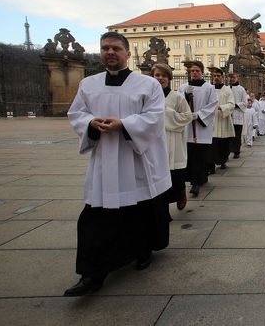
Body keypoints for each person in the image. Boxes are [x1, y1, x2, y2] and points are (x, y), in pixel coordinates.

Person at [65, 32, 171, 296]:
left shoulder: (147, 85)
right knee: (96, 216)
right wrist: (90, 123)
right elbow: (76, 113)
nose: (109, 52)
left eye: (115, 48)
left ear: (128, 54)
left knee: (140, 211)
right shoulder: (88, 84)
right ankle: (92, 274)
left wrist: (124, 124)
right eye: (104, 48)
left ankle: (142, 251)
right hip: (104, 158)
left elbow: (155, 118)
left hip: (135, 156)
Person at [152, 63, 193, 210]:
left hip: (173, 139)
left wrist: (166, 113)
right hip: (154, 140)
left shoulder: (177, 97)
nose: (160, 78)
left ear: (169, 78)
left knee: (175, 174)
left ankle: (181, 192)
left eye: (163, 75)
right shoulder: (148, 96)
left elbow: (187, 116)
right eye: (157, 75)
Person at [178, 61, 218, 197]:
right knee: (190, 155)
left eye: (197, 71)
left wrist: (198, 115)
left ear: (202, 72)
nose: (194, 73)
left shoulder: (209, 88)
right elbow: (177, 104)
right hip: (187, 127)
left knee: (200, 156)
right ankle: (193, 180)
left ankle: (198, 181)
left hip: (201, 128)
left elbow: (213, 105)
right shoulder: (183, 87)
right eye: (192, 71)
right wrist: (186, 113)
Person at [208, 67, 235, 171]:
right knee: (212, 144)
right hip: (212, 120)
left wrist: (221, 107)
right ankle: (211, 166)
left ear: (222, 77)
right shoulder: (210, 89)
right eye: (214, 76)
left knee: (223, 143)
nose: (216, 78)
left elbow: (232, 104)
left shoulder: (227, 90)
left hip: (223, 120)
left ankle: (223, 161)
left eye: (218, 76)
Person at [229, 72, 248, 159]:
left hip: (237, 114)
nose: (232, 79)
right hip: (228, 115)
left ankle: (237, 151)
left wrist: (236, 105)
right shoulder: (227, 88)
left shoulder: (241, 89)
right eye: (231, 78)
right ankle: (228, 150)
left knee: (237, 134)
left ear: (237, 78)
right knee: (228, 135)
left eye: (234, 77)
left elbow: (245, 103)